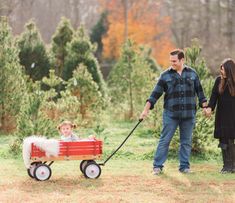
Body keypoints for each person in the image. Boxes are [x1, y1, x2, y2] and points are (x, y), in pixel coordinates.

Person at [140, 49, 207, 175]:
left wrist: (205, 107)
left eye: (174, 61)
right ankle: (157, 166)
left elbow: (200, 93)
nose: (172, 63)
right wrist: (145, 111)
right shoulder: (165, 75)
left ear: (182, 60)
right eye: (170, 61)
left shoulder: (193, 74)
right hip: (171, 115)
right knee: (165, 140)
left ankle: (184, 167)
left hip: (188, 115)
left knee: (186, 142)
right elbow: (154, 94)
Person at [205, 58, 235, 173]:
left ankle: (233, 166)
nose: (221, 72)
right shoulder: (218, 81)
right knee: (224, 141)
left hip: (233, 117)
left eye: (223, 70)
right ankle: (227, 166)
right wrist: (209, 108)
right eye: (220, 69)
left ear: (230, 70)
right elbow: (213, 97)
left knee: (232, 140)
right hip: (222, 117)